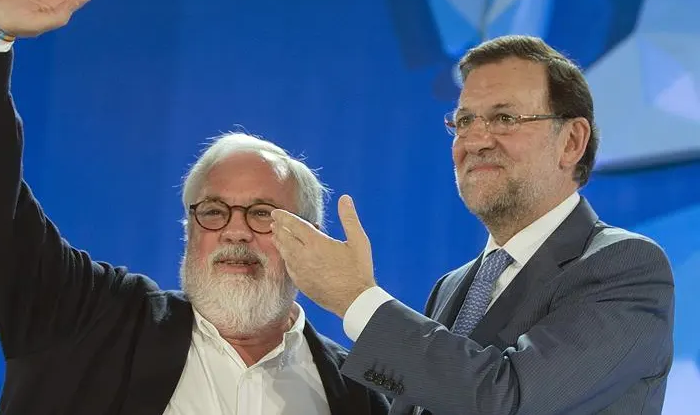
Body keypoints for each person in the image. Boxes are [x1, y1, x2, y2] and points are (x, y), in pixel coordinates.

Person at [0, 0, 390, 414]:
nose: (236, 232)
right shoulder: (89, 321)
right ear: (190, 229)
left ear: (307, 239)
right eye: (214, 211)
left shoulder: (357, 395)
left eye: (262, 214)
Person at [270, 35, 675, 414]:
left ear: (571, 141)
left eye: (503, 118)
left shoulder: (624, 268)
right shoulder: (452, 287)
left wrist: (355, 298)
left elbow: (507, 399)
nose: (476, 140)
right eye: (464, 121)